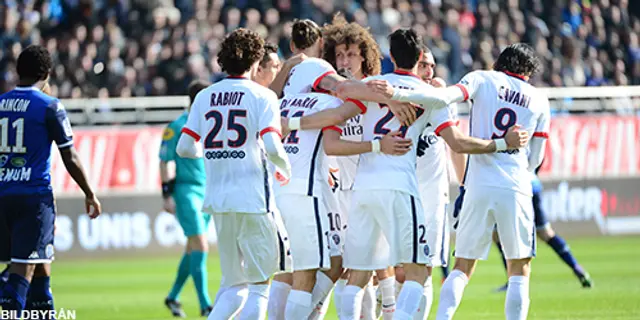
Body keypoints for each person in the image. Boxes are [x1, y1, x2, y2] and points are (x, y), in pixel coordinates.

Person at [311, 28, 528, 320]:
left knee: (357, 276)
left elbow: (343, 92)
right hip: (401, 188)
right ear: (419, 61)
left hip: (363, 188)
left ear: (390, 56)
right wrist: (502, 144)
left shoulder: (374, 86)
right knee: (418, 272)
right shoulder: (430, 95)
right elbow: (457, 143)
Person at [384, 43, 550, 320]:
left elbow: (446, 97)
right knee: (519, 269)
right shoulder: (538, 98)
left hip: (477, 183)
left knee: (462, 266)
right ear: (529, 71)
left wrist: (396, 94)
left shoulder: (481, 78)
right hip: (516, 184)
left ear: (501, 62)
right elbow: (537, 157)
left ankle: (442, 318)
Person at [273, 72, 413, 319]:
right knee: (319, 271)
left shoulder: (284, 102)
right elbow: (337, 123)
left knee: (294, 269)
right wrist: (390, 104)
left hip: (278, 190)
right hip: (309, 192)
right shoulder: (328, 102)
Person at [176, 28, 291, 320]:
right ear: (255, 61)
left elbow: (185, 147)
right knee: (259, 287)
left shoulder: (204, 96)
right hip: (253, 200)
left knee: (233, 286)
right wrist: (284, 168)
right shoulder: (263, 95)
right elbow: (272, 145)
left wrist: (217, 156)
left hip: (218, 200)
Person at [0, 45, 101, 316]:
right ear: (47, 73)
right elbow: (70, 156)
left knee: (41, 266)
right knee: (23, 270)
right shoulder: (49, 106)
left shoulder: (0, 104)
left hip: (3, 194)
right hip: (32, 199)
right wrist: (90, 193)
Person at [320, 14, 395, 320]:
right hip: (338, 192)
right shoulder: (327, 94)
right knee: (350, 266)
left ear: (365, 55)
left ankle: (388, 310)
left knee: (376, 261)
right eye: (339, 54)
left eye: (351, 54)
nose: (344, 60)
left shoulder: (374, 90)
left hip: (372, 185)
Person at [490, 168, 593, 291]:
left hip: (512, 187)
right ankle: (575, 266)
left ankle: (512, 279)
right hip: (532, 184)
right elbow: (539, 158)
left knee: (499, 235)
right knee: (545, 233)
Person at [160, 80, 213, 318]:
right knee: (201, 244)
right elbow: (165, 161)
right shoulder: (177, 126)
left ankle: (173, 297)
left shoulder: (211, 124)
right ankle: (205, 305)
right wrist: (167, 194)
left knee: (193, 248)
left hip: (208, 191)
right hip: (186, 191)